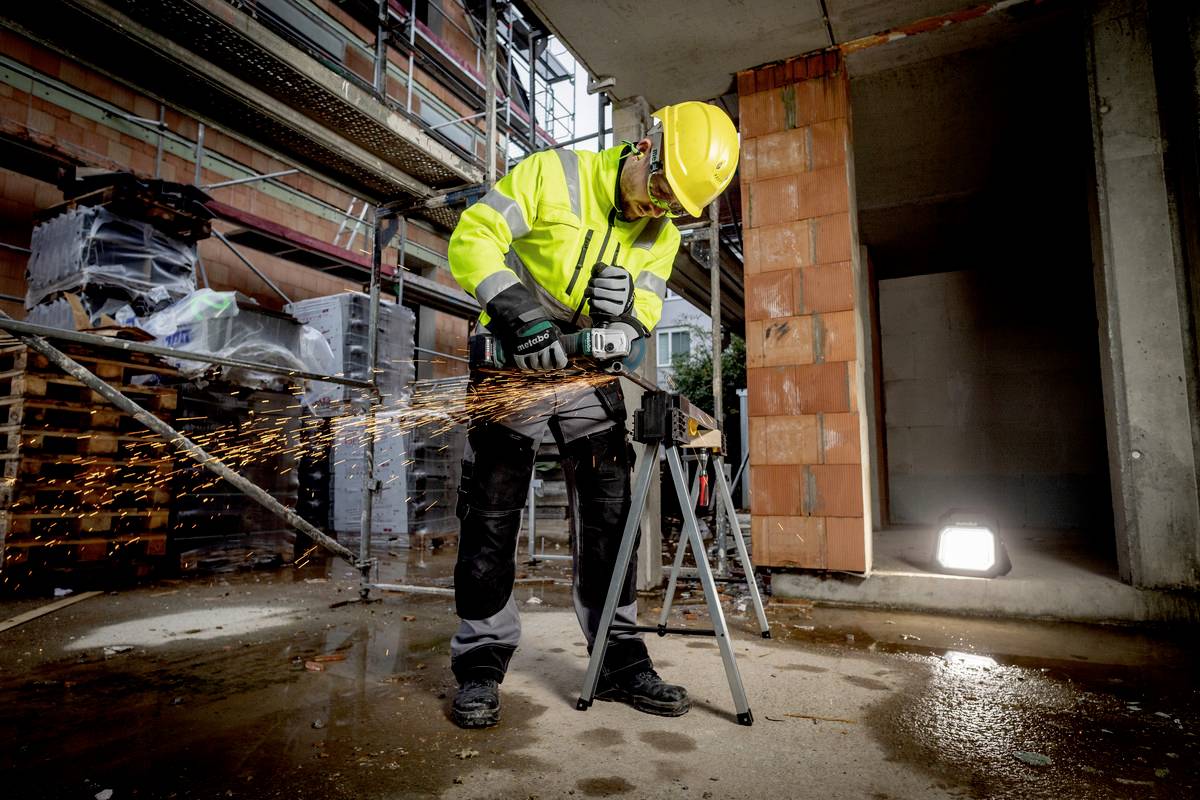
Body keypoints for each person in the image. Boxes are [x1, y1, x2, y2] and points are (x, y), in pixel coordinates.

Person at [445, 101, 739, 729]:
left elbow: (649, 314)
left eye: (674, 206)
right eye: (658, 188)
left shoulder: (659, 234)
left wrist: (627, 320)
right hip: (512, 360)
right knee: (492, 508)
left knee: (611, 507)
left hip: (585, 371)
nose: (657, 209)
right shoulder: (556, 174)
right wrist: (520, 313)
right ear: (645, 146)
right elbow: (473, 236)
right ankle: (480, 657)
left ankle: (617, 657)